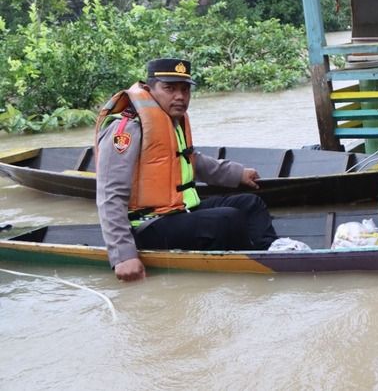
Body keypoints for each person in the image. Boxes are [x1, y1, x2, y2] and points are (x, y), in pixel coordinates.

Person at [95, 58, 278, 282]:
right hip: (146, 224)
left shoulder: (171, 120)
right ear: (150, 88)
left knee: (250, 204)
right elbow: (109, 193)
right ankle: (253, 274)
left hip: (176, 211)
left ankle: (275, 256)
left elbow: (190, 160)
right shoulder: (126, 128)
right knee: (226, 219)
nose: (180, 96)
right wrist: (123, 255)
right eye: (169, 88)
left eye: (184, 89)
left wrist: (237, 173)